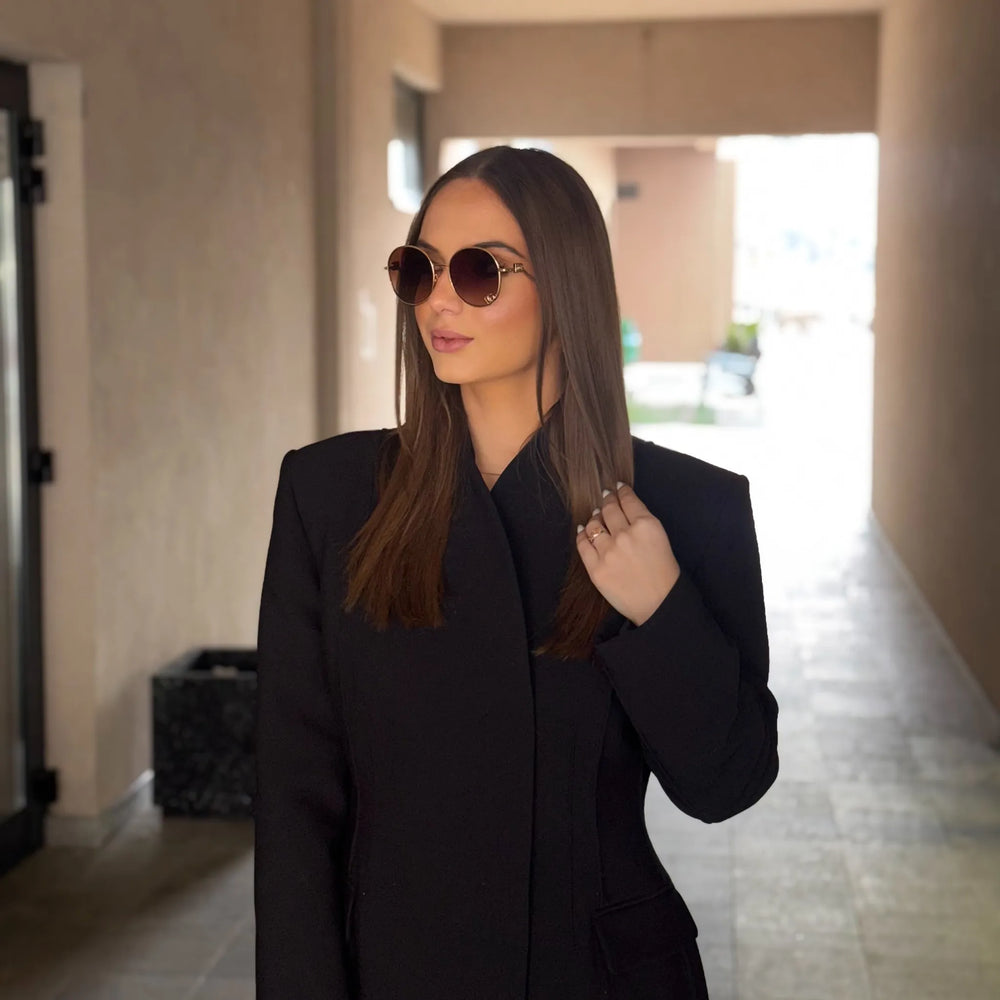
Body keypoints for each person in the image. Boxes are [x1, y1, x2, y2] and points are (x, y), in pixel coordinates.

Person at [254, 145, 779, 1000]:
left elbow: (728, 782)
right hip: (395, 972)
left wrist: (663, 611)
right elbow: (293, 802)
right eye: (419, 269)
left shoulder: (689, 507)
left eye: (478, 271)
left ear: (566, 287)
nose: (439, 299)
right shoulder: (331, 497)